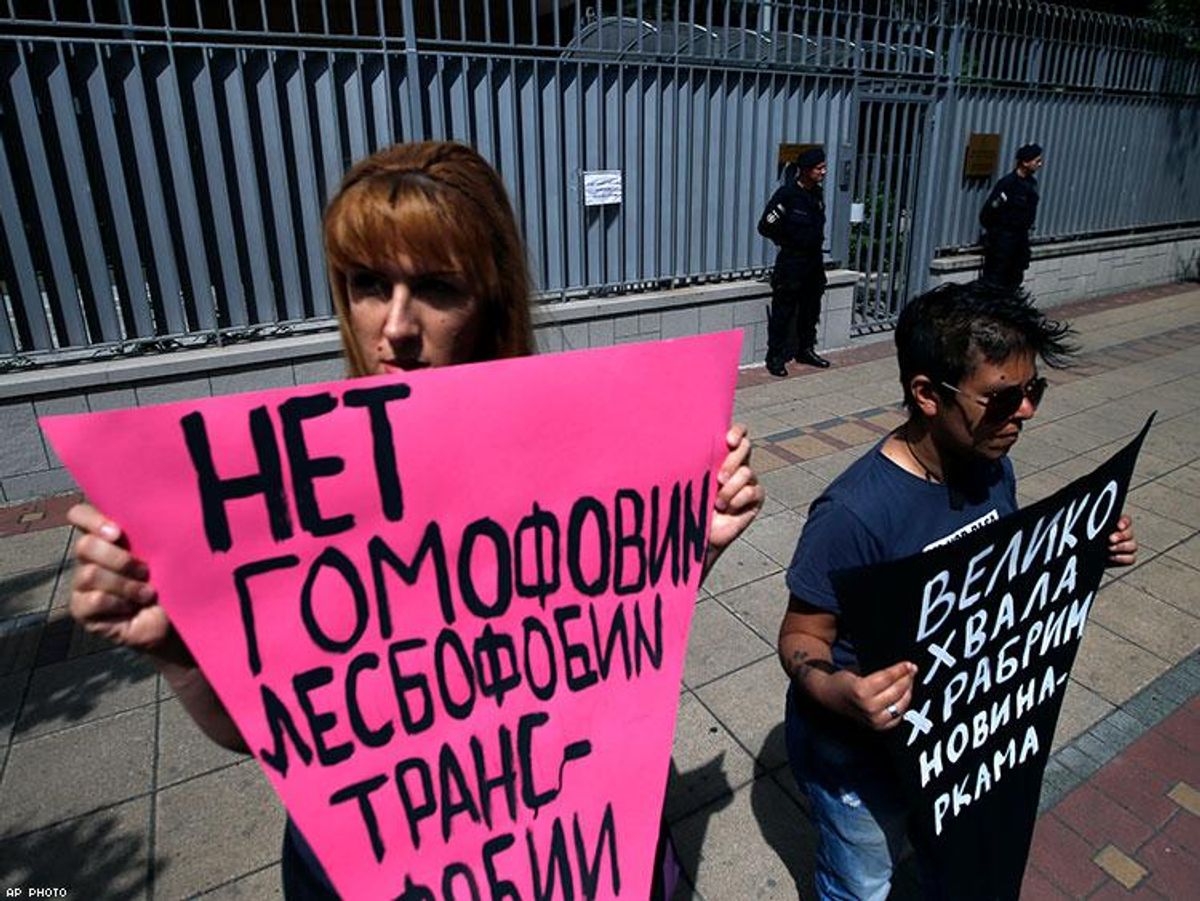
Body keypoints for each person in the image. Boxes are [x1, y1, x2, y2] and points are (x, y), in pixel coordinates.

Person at [66, 141, 764, 898]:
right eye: (369, 283)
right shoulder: (301, 495)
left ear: (489, 300)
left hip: (567, 840)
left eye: (435, 288)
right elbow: (274, 735)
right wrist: (178, 652)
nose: (395, 325)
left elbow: (598, 658)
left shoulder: (576, 455)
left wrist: (681, 553)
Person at [776, 282, 1137, 900]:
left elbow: (1000, 580)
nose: (1025, 412)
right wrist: (842, 691)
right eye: (1002, 398)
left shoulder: (992, 467)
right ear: (927, 394)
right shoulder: (854, 513)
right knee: (861, 883)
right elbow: (800, 635)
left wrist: (1085, 554)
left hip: (947, 740)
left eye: (1034, 391)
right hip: (857, 757)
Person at [759, 146, 831, 377]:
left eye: (823, 167)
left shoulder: (816, 194)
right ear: (806, 170)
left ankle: (805, 350)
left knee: (810, 310)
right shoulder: (787, 195)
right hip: (792, 264)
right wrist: (788, 242)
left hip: (813, 264)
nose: (823, 172)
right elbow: (765, 226)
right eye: (819, 168)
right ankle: (775, 357)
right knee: (783, 313)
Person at [979, 143, 1044, 291]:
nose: (1040, 164)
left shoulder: (1031, 184)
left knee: (1014, 280)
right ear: (1025, 162)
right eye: (1037, 161)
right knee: (994, 284)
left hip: (1019, 242)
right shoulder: (1008, 184)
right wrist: (998, 235)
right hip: (1003, 243)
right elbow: (987, 214)